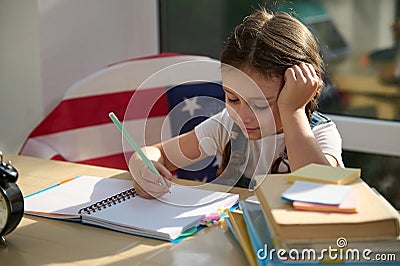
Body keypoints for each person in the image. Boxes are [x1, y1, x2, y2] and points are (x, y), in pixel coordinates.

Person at [129, 8, 344, 199]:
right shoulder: (228, 126)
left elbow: (319, 191)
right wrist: (143, 168)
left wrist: (293, 111)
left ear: (301, 92)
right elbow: (160, 154)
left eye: (261, 105)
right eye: (233, 99)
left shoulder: (321, 134)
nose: (243, 116)